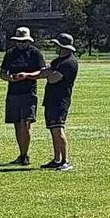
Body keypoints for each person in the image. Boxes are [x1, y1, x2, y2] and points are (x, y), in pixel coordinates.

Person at [0, 26, 47, 166]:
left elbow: (43, 73)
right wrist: (12, 78)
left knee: (25, 124)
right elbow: (2, 74)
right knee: (16, 125)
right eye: (19, 41)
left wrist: (27, 75)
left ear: (28, 41)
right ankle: (21, 154)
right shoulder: (10, 54)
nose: (21, 44)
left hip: (29, 94)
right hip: (13, 94)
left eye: (24, 41)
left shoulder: (35, 54)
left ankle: (25, 155)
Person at [34, 33, 79, 170]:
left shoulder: (69, 63)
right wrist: (28, 75)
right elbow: (45, 72)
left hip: (60, 100)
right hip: (50, 99)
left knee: (59, 129)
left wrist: (48, 74)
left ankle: (65, 160)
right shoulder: (58, 61)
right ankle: (56, 159)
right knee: (53, 130)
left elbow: (53, 78)